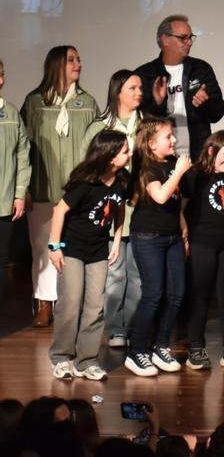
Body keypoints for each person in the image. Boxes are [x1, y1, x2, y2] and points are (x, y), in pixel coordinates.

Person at [23, 46, 99, 327]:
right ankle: (44, 303)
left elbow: (95, 147)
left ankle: (70, 305)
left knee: (73, 247)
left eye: (79, 59)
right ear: (56, 64)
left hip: (77, 189)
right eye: (71, 60)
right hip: (43, 186)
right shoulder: (34, 103)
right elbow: (23, 146)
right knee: (42, 247)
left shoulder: (88, 103)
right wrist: (25, 187)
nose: (78, 63)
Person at [47, 130, 129, 381]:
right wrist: (54, 246)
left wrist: (116, 240)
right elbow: (60, 211)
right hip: (72, 249)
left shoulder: (122, 180)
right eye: (125, 150)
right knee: (70, 303)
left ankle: (87, 360)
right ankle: (62, 357)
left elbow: (119, 210)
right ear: (110, 156)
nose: (129, 154)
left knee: (95, 306)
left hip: (98, 251)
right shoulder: (86, 182)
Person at [81, 70, 143, 350]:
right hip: (111, 212)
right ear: (118, 91)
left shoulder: (147, 127)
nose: (138, 92)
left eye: (140, 87)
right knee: (116, 274)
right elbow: (87, 169)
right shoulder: (99, 128)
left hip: (142, 210)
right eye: (132, 88)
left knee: (139, 275)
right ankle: (116, 328)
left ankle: (134, 327)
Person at [125, 117, 190, 377]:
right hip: (148, 237)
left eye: (173, 136)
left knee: (177, 294)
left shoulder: (172, 164)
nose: (173, 140)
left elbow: (175, 203)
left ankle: (160, 346)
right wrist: (179, 173)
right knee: (154, 294)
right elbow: (161, 196)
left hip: (172, 236)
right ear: (151, 144)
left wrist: (183, 227)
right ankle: (136, 351)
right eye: (168, 137)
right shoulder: (149, 168)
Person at [182, 131, 224, 372]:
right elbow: (182, 206)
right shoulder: (196, 175)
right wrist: (185, 235)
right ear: (211, 151)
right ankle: (196, 347)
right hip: (202, 243)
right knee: (200, 297)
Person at [134, 14, 224, 158]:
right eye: (183, 38)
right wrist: (156, 103)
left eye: (191, 37)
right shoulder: (145, 74)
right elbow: (139, 120)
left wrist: (205, 104)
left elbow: (217, 113)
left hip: (197, 156)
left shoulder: (201, 69)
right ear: (165, 40)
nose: (189, 42)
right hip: (159, 159)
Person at [0, 60, 31, 313]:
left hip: (4, 204)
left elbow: (22, 156)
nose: (0, 80)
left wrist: (19, 195)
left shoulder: (10, 113)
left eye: (0, 74)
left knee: (1, 265)